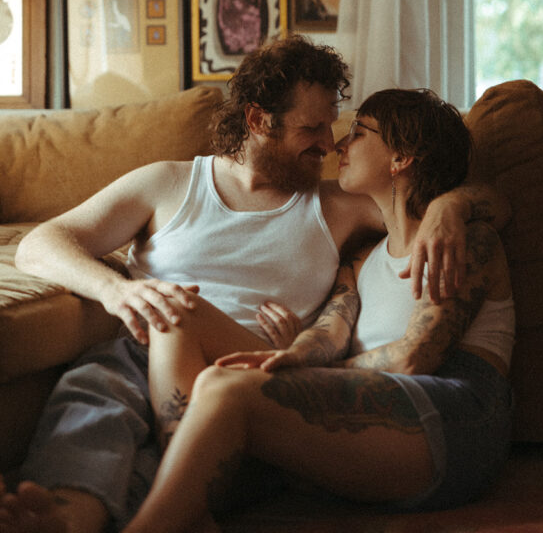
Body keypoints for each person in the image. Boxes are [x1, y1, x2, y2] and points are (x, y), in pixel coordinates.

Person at [0, 37, 498, 533]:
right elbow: (41, 243)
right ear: (259, 120)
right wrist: (117, 291)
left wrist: (450, 207)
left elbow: (433, 195)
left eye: (334, 125)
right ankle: (64, 518)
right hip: (141, 357)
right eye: (313, 128)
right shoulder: (167, 184)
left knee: (176, 322)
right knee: (94, 394)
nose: (329, 143)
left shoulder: (338, 205)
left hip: (249, 365)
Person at [113, 88, 514, 532]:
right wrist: (293, 356)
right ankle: (186, 511)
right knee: (181, 318)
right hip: (371, 411)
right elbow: (329, 333)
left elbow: (412, 359)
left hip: (456, 420)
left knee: (228, 389)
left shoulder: (466, 243)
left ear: (401, 157)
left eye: (359, 132)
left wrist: (293, 375)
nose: (339, 144)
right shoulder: (360, 260)